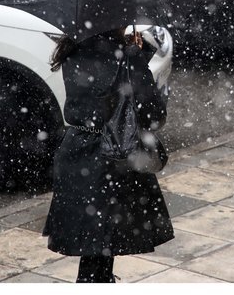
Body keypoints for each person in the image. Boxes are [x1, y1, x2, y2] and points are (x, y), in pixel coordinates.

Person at [42, 26, 174, 283]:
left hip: (77, 152)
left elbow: (100, 87)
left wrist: (136, 56)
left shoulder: (72, 48)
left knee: (94, 250)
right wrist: (135, 57)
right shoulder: (125, 56)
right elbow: (153, 116)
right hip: (111, 158)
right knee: (100, 251)